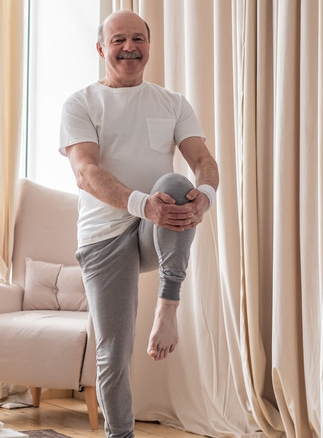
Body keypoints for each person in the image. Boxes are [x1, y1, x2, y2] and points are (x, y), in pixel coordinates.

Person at [58, 9, 219, 438]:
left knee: (177, 182)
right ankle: (120, 435)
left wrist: (206, 197)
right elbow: (85, 173)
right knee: (114, 351)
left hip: (157, 230)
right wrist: (143, 205)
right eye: (118, 41)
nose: (129, 48)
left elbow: (203, 161)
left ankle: (168, 306)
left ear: (148, 45)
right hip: (104, 237)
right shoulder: (81, 103)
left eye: (137, 39)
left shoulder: (172, 102)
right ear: (101, 49)